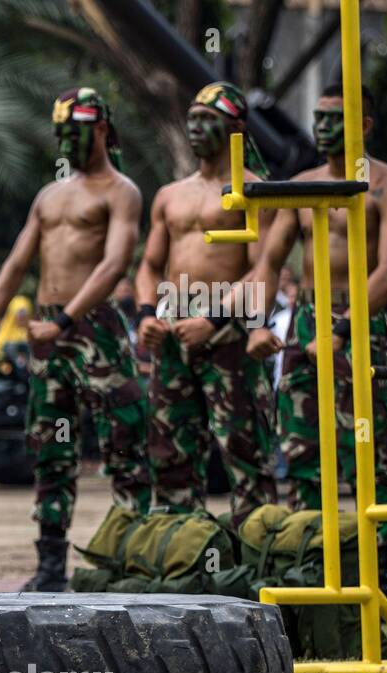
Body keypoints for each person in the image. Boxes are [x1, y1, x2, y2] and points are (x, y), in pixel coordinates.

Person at [0, 87, 150, 591]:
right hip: (47, 333)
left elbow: (114, 265)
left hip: (93, 329)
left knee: (124, 441)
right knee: (50, 448)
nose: (66, 139)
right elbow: (17, 264)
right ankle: (49, 566)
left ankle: (129, 562)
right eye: (61, 131)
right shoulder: (50, 196)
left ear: (103, 131)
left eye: (76, 130)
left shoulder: (121, 191)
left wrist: (64, 321)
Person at [249, 83, 387, 597]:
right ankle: (312, 568)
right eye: (317, 117)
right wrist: (258, 323)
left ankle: (378, 579)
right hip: (305, 319)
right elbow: (270, 262)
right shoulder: (301, 185)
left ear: (363, 125)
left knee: (365, 452)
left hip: (359, 320)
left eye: (334, 118)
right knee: (300, 450)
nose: (322, 126)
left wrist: (343, 331)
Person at [134, 82, 279, 528]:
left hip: (229, 325)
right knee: (170, 445)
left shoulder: (256, 191)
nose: (195, 129)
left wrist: (213, 319)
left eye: (207, 121)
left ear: (236, 127)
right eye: (192, 119)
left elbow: (262, 269)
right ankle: (184, 548)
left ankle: (256, 552)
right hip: (175, 322)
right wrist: (147, 316)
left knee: (242, 444)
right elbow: (149, 265)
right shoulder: (170, 194)